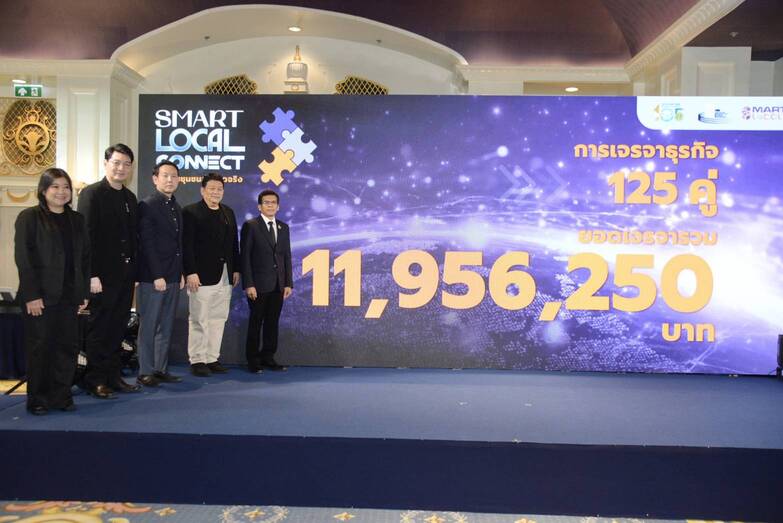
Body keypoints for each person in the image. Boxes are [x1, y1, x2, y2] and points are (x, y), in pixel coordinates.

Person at [14, 168, 90, 415]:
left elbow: (84, 259)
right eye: (55, 186)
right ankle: (38, 398)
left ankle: (61, 396)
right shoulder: (29, 217)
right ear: (44, 190)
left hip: (69, 297)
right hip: (40, 298)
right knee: (41, 348)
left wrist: (83, 293)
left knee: (66, 348)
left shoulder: (77, 220)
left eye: (66, 187)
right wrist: (32, 295)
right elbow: (24, 259)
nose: (61, 192)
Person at [77, 143, 140, 399]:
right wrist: (91, 274)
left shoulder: (130, 198)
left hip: (125, 277)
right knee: (99, 329)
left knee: (117, 328)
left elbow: (133, 238)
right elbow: (86, 237)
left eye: (126, 164)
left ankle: (113, 377)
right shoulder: (91, 194)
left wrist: (135, 273)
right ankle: (95, 380)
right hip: (100, 278)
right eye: (116, 162)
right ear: (106, 164)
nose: (121, 168)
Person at [182, 173, 240, 377]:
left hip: (225, 275)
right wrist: (190, 272)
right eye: (212, 188)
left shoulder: (228, 212)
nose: (216, 192)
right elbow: (186, 245)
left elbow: (233, 244)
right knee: (199, 319)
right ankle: (197, 359)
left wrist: (236, 269)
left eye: (219, 189)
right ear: (202, 190)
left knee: (218, 318)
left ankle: (211, 357)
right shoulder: (190, 212)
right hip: (200, 276)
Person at [136, 160, 184, 387]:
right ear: (155, 179)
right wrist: (157, 275)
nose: (170, 180)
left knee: (166, 325)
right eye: (165, 175)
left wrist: (180, 272)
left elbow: (178, 244)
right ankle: (145, 370)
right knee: (149, 325)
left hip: (173, 275)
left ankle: (160, 368)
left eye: (174, 176)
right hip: (153, 277)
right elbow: (146, 243)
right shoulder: (147, 205)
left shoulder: (176, 206)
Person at [240, 189, 293, 372]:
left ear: (278, 206)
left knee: (272, 322)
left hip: (278, 285)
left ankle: (268, 357)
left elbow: (286, 256)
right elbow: (245, 257)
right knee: (256, 322)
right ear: (259, 206)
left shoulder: (283, 227)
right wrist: (249, 284)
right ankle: (253, 360)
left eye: (273, 203)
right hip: (258, 285)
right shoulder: (251, 226)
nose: (270, 205)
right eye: (266, 202)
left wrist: (288, 283)